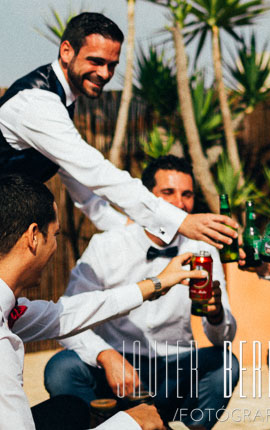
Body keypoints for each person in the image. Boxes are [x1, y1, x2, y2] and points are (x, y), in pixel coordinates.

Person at [0, 12, 236, 281]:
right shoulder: (36, 103)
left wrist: (129, 228)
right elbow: (96, 172)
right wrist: (179, 220)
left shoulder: (62, 101)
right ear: (66, 51)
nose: (105, 74)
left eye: (112, 65)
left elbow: (83, 191)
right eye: (96, 61)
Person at [0, 173, 205, 430]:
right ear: (33, 236)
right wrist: (132, 423)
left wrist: (157, 282)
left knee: (68, 410)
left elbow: (65, 314)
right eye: (56, 235)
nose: (55, 246)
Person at [44, 156, 239, 430]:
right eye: (168, 193)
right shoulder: (106, 245)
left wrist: (217, 314)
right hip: (117, 373)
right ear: (148, 198)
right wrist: (104, 355)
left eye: (187, 195)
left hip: (174, 369)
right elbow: (69, 316)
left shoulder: (202, 250)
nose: (180, 205)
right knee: (61, 368)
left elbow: (223, 338)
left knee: (226, 364)